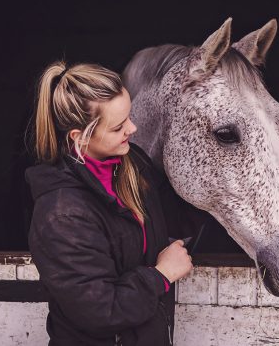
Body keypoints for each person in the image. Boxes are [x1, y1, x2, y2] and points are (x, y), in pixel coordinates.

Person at [26, 61, 194, 346]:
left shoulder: (133, 165)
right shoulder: (62, 215)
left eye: (129, 116)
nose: (133, 128)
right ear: (80, 138)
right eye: (118, 127)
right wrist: (161, 275)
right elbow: (101, 312)